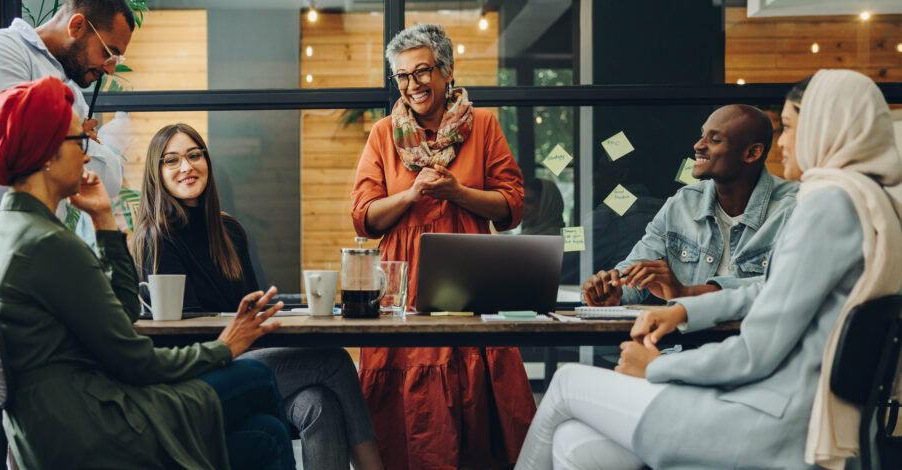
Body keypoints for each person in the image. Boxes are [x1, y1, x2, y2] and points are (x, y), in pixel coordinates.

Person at [515, 69, 902, 469]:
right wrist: (684, 308)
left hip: (767, 418)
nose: (783, 143)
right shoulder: (876, 205)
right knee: (574, 443)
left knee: (564, 385)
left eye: (788, 127)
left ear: (825, 126)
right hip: (793, 411)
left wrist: (658, 366)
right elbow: (772, 290)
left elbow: (757, 352)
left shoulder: (825, 205)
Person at [0, 76, 296, 470]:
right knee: (257, 378)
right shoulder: (47, 245)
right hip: (95, 428)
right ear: (46, 153)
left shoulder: (11, 231)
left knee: (265, 434)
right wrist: (223, 348)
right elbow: (136, 361)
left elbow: (124, 313)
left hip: (53, 430)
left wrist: (104, 219)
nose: (88, 155)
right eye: (80, 142)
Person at [0, 1, 133, 466]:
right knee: (16, 393)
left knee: (24, 397)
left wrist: (79, 145)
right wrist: (81, 141)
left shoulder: (68, 88)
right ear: (78, 25)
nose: (110, 66)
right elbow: (21, 147)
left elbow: (107, 176)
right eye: (109, 52)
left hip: (27, 264)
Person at [133, 123, 384, 470]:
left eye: (194, 155)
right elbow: (182, 336)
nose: (186, 167)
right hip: (201, 371)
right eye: (171, 160)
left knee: (319, 402)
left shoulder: (229, 231)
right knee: (335, 361)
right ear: (156, 174)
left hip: (247, 360)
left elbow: (251, 311)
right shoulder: (156, 236)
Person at [350, 23, 534, 470]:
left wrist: (456, 192)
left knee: (476, 384)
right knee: (406, 394)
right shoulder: (382, 134)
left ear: (446, 71)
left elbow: (510, 206)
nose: (413, 85)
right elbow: (364, 216)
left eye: (422, 72)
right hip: (402, 280)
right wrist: (412, 195)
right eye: (403, 76)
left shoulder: (484, 125)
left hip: (471, 270)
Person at [582, 104, 799, 306]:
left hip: (753, 345)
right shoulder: (682, 204)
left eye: (715, 140)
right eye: (702, 135)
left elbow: (784, 288)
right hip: (683, 345)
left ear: (752, 153)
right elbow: (635, 271)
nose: (698, 145)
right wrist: (613, 290)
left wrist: (686, 293)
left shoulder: (793, 209)